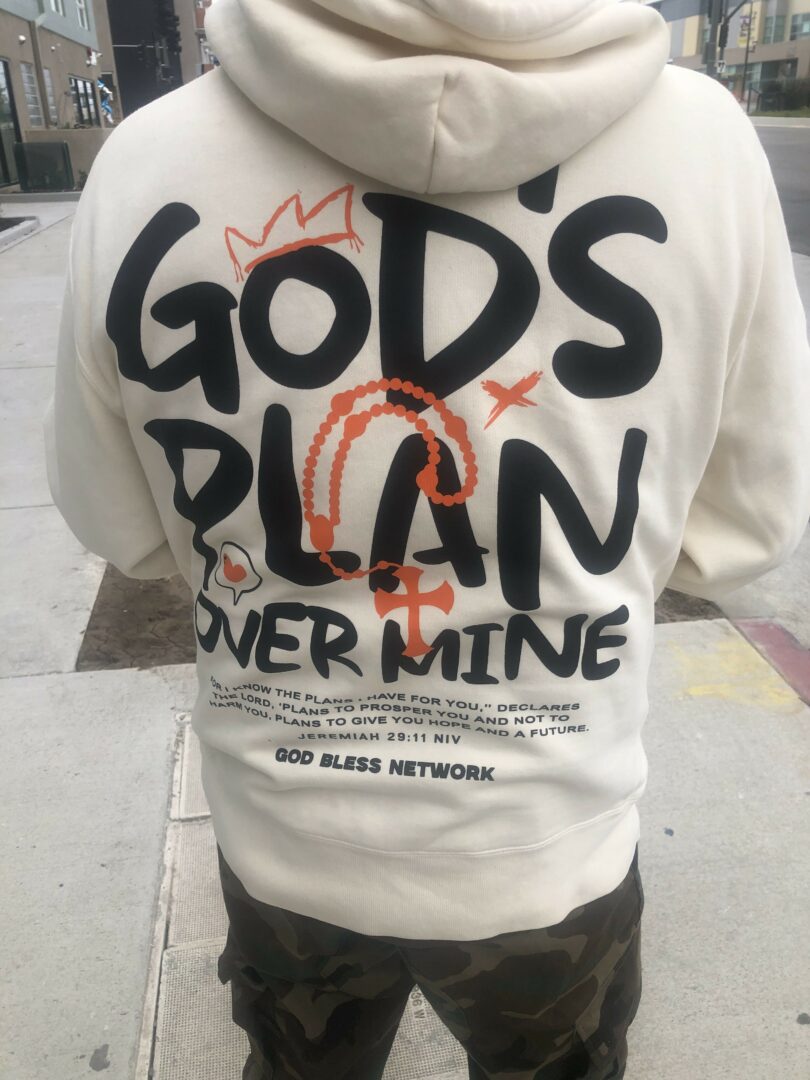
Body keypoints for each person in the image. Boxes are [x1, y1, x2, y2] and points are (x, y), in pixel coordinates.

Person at [44, 1, 810, 1077]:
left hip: (285, 835)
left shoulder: (147, 159)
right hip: (551, 840)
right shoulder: (705, 147)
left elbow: (118, 524)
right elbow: (743, 529)